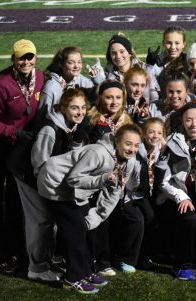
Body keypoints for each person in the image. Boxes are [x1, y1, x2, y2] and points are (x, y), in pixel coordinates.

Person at [36, 124, 141, 294]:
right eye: (128, 144)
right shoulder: (98, 152)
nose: (132, 149)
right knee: (76, 227)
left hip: (77, 189)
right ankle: (73, 278)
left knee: (87, 226)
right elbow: (72, 179)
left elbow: (115, 191)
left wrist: (98, 215)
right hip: (55, 181)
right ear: (117, 141)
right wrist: (103, 179)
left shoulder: (130, 161)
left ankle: (85, 271)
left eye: (137, 145)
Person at [16, 89, 88, 282]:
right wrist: (50, 191)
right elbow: (38, 163)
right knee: (41, 220)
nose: (80, 112)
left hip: (46, 177)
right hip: (29, 176)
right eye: (74, 107)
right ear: (64, 108)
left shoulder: (72, 125)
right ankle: (36, 268)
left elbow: (70, 158)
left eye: (83, 107)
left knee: (50, 221)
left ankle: (45, 261)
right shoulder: (50, 129)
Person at [0, 39, 44, 273]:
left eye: (30, 56)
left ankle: (19, 250)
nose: (26, 61)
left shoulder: (40, 78)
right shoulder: (1, 84)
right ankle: (1, 253)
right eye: (22, 57)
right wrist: (14, 132)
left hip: (19, 150)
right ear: (13, 59)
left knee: (15, 202)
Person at [154, 101, 196, 280]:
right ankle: (183, 265)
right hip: (175, 195)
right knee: (189, 217)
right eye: (189, 120)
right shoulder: (171, 142)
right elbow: (163, 181)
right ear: (182, 120)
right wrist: (181, 197)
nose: (193, 124)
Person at [110, 118, 166, 273]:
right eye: (151, 132)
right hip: (126, 194)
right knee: (137, 220)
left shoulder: (158, 150)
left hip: (142, 194)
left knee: (151, 218)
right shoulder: (135, 150)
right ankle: (125, 258)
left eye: (159, 133)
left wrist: (163, 155)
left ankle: (143, 256)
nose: (155, 136)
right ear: (143, 134)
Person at [88, 33, 160, 100]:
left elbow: (154, 96)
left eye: (122, 51)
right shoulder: (107, 72)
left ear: (129, 53)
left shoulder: (145, 69)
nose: (118, 56)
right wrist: (96, 77)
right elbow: (104, 95)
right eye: (114, 53)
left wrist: (149, 109)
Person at [38, 46, 95, 120]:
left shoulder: (81, 80)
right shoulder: (51, 88)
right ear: (61, 64)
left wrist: (97, 79)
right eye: (71, 63)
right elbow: (42, 116)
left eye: (79, 62)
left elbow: (98, 96)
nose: (76, 66)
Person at [147, 26, 188, 91]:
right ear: (163, 43)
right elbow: (146, 84)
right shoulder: (156, 63)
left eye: (177, 43)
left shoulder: (189, 63)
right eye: (169, 43)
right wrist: (149, 66)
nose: (173, 47)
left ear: (183, 44)